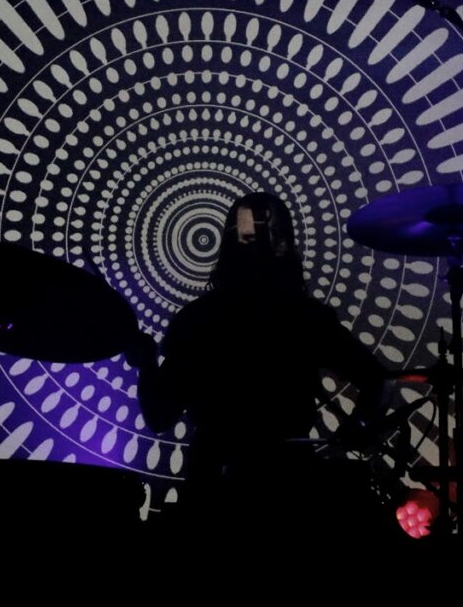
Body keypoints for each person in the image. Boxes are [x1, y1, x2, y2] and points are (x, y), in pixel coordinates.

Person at [130, 192, 390, 541]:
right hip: (288, 489)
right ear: (284, 248)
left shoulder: (197, 320)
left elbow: (160, 416)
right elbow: (376, 380)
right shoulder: (305, 318)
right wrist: (356, 429)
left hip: (212, 493)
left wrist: (147, 365)